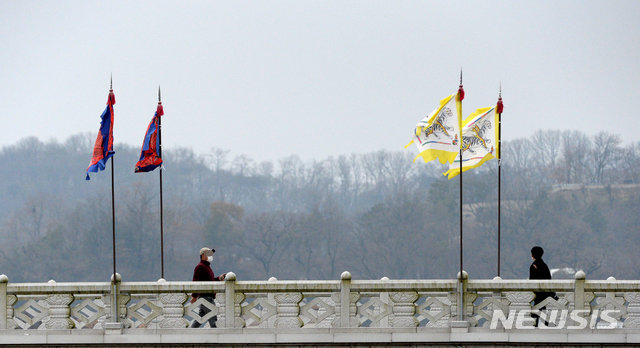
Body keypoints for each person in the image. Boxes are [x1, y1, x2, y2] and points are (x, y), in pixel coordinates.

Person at [190, 247, 226, 328]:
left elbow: (210, 281)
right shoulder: (200, 267)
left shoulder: (207, 267)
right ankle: (217, 337)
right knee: (213, 318)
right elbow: (196, 282)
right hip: (205, 297)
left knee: (200, 319)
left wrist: (218, 278)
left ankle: (188, 335)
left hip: (207, 296)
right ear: (203, 255)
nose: (211, 256)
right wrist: (194, 296)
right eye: (209, 254)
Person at [529, 246, 556, 327]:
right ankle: (548, 325)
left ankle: (534, 326)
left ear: (532, 255)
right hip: (547, 293)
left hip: (539, 294)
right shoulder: (544, 265)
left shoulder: (534, 266)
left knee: (535, 312)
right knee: (545, 311)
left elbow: (532, 281)